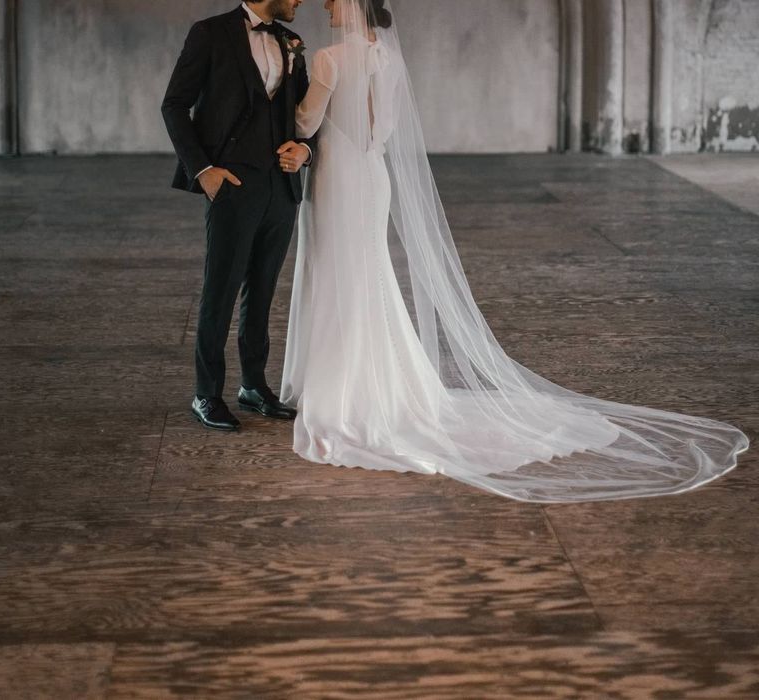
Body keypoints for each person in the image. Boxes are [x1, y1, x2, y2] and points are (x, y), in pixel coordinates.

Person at [279, 0, 749, 502]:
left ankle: (342, 388)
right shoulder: (388, 59)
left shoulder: (329, 59)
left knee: (340, 270)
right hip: (374, 173)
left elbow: (306, 124)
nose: (326, 4)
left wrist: (290, 102)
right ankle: (384, 378)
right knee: (370, 272)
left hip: (339, 176)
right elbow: (385, 129)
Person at [162, 0, 315, 431]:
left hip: (280, 188)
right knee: (221, 290)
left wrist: (306, 150)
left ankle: (253, 385)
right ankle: (206, 394)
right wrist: (204, 171)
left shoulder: (290, 42)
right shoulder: (210, 33)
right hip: (231, 184)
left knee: (262, 290)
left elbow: (308, 113)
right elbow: (174, 105)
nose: (300, 1)